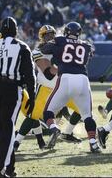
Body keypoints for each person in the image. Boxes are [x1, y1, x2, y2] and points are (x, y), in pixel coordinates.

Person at [0, 16, 36, 177]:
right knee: (9, 127)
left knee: (0, 127)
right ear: (16, 31)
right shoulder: (21, 46)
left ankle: (9, 168)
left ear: (1, 32)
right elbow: (30, 75)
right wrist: (32, 96)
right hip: (11, 88)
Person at [40, 22, 100, 153]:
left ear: (67, 31)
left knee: (48, 112)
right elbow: (89, 54)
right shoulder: (86, 44)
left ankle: (54, 128)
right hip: (83, 80)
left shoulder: (60, 39)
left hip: (66, 78)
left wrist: (53, 49)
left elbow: (44, 49)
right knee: (88, 115)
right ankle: (93, 143)